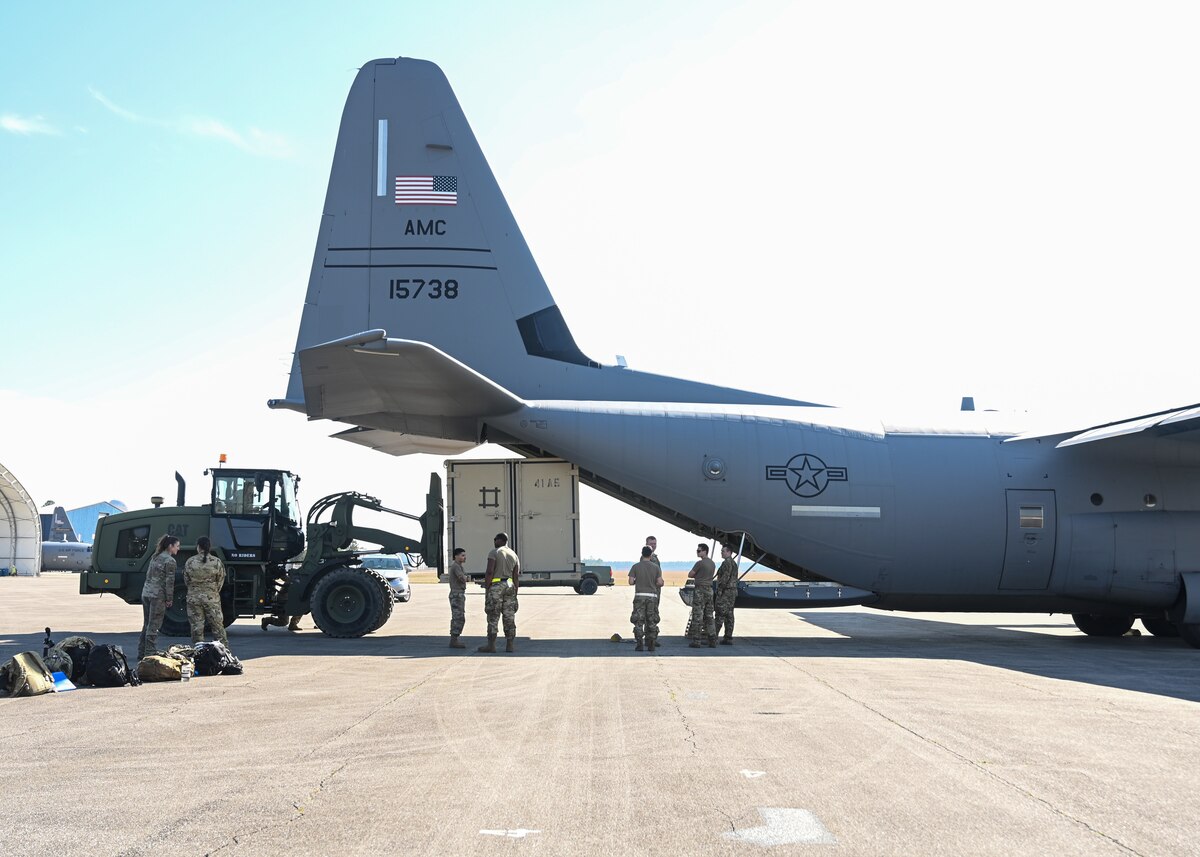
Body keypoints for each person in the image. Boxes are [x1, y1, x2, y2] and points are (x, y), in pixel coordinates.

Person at [138, 535, 180, 659]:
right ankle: (149, 653)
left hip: (146, 593)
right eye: (177, 546)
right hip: (158, 596)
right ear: (170, 546)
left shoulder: (155, 557)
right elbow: (169, 582)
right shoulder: (170, 561)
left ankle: (141, 652)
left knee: (147, 624)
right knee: (154, 625)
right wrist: (169, 599)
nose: (178, 548)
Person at [478, 532, 520, 653]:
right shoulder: (514, 554)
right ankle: (510, 644)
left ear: (500, 540)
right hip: (510, 586)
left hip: (496, 586)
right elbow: (516, 576)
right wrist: (515, 593)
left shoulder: (494, 552)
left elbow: (490, 571)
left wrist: (487, 587)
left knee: (493, 615)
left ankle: (491, 645)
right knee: (509, 616)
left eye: (495, 539)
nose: (494, 541)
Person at [184, 536, 229, 646]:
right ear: (209, 547)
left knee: (196, 627)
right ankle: (224, 652)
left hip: (194, 598)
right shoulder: (216, 562)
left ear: (198, 547)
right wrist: (212, 591)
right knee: (217, 627)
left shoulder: (190, 562)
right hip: (211, 598)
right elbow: (220, 581)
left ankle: (199, 652)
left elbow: (187, 580)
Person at [629, 545, 665, 651]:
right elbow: (659, 582)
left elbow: (631, 581)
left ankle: (639, 643)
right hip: (652, 597)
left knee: (639, 621)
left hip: (639, 596)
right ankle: (651, 643)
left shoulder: (635, 566)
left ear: (642, 553)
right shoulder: (656, 567)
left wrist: (638, 581)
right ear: (651, 555)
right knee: (652, 621)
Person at [687, 542, 717, 648]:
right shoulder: (712, 563)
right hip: (709, 590)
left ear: (705, 551)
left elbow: (690, 574)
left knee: (697, 615)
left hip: (700, 590)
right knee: (709, 616)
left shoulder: (700, 563)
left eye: (699, 550)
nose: (697, 552)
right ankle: (712, 640)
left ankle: (696, 640)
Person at [714, 543, 738, 645]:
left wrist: (719, 590)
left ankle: (713, 637)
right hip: (732, 592)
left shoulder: (727, 563)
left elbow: (725, 578)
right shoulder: (733, 563)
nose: (721, 553)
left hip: (725, 592)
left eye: (723, 551)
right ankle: (728, 637)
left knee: (720, 614)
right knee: (729, 615)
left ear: (729, 552)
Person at [645, 535, 665, 645]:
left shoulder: (654, 557)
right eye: (651, 544)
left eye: (655, 544)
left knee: (651, 614)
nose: (653, 546)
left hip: (655, 590)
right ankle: (650, 638)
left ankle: (650, 638)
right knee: (652, 614)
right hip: (652, 590)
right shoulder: (650, 558)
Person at [448, 547, 469, 648]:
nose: (464, 557)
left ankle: (455, 638)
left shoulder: (459, 566)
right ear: (456, 556)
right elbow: (462, 578)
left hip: (459, 593)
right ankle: (454, 639)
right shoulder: (456, 566)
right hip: (457, 594)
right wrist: (466, 578)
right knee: (458, 617)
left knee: (460, 617)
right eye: (462, 555)